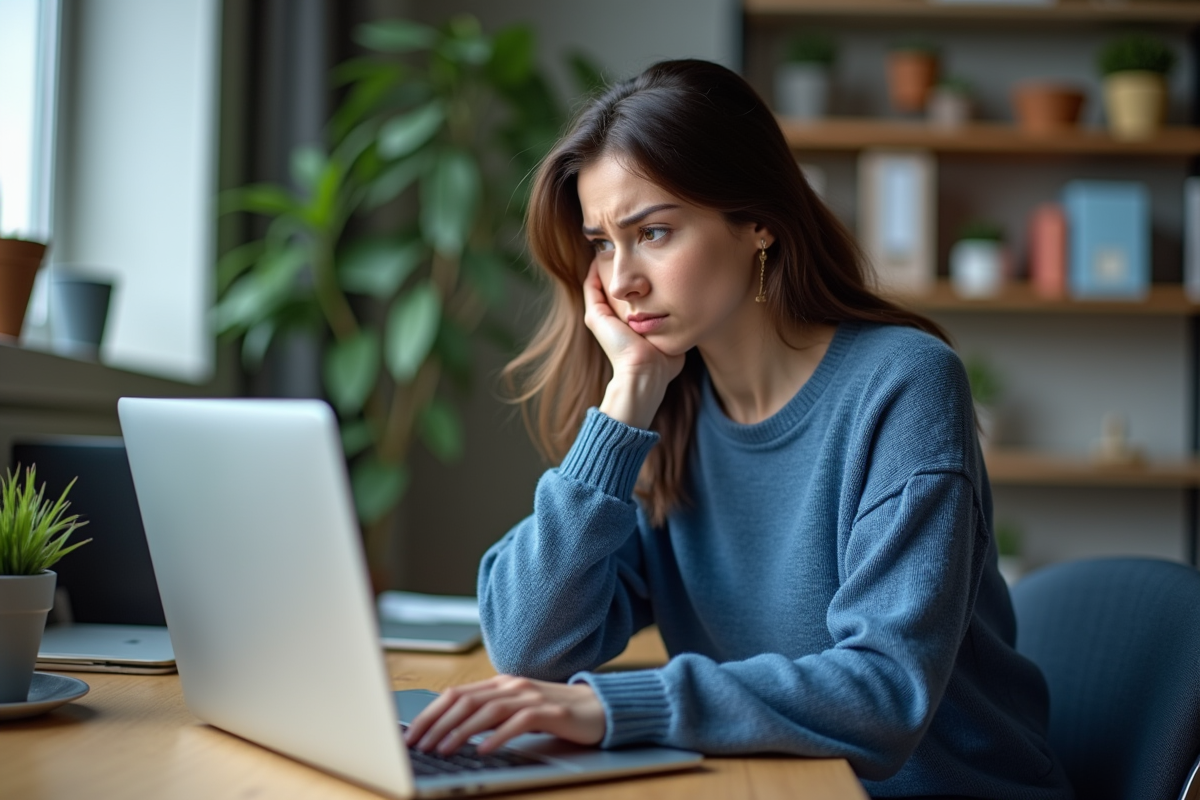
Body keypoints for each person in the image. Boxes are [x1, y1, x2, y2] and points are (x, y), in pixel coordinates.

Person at [404, 59, 1072, 798]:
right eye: (601, 243)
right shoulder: (667, 406)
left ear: (758, 223)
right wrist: (624, 405)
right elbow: (529, 645)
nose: (621, 279)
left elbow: (884, 692)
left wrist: (611, 705)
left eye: (652, 231)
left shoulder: (903, 385)